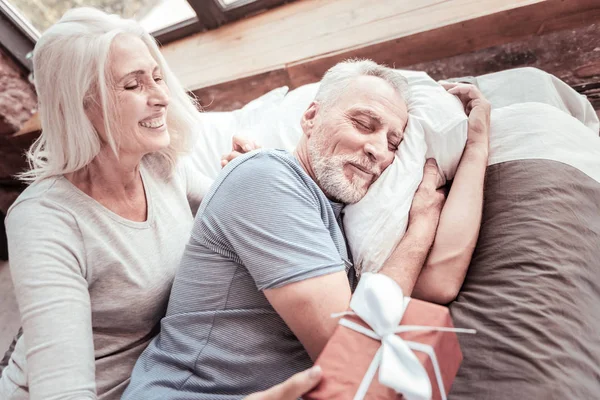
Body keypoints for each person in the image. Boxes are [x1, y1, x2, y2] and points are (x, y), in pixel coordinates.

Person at [0, 7, 323, 400]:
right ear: (81, 104)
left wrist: (249, 176)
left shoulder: (160, 167)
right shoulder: (44, 221)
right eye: (133, 86)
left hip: (169, 375)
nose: (161, 97)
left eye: (156, 77)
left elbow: (239, 213)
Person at [123, 60, 491, 399]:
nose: (379, 149)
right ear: (311, 117)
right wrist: (422, 224)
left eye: (394, 143)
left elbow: (438, 282)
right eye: (364, 124)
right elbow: (349, 355)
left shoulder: (341, 213)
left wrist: (476, 148)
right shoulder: (265, 177)